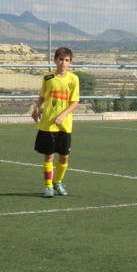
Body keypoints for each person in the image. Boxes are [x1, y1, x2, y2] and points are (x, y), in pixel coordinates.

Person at [31, 47, 80, 198]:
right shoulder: (47, 77)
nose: (63, 63)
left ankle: (57, 181)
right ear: (55, 60)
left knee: (64, 156)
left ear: (70, 63)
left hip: (64, 125)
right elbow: (42, 95)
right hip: (48, 124)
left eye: (66, 60)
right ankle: (48, 186)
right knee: (49, 156)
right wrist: (37, 108)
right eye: (60, 59)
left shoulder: (73, 79)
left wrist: (63, 115)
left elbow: (75, 102)